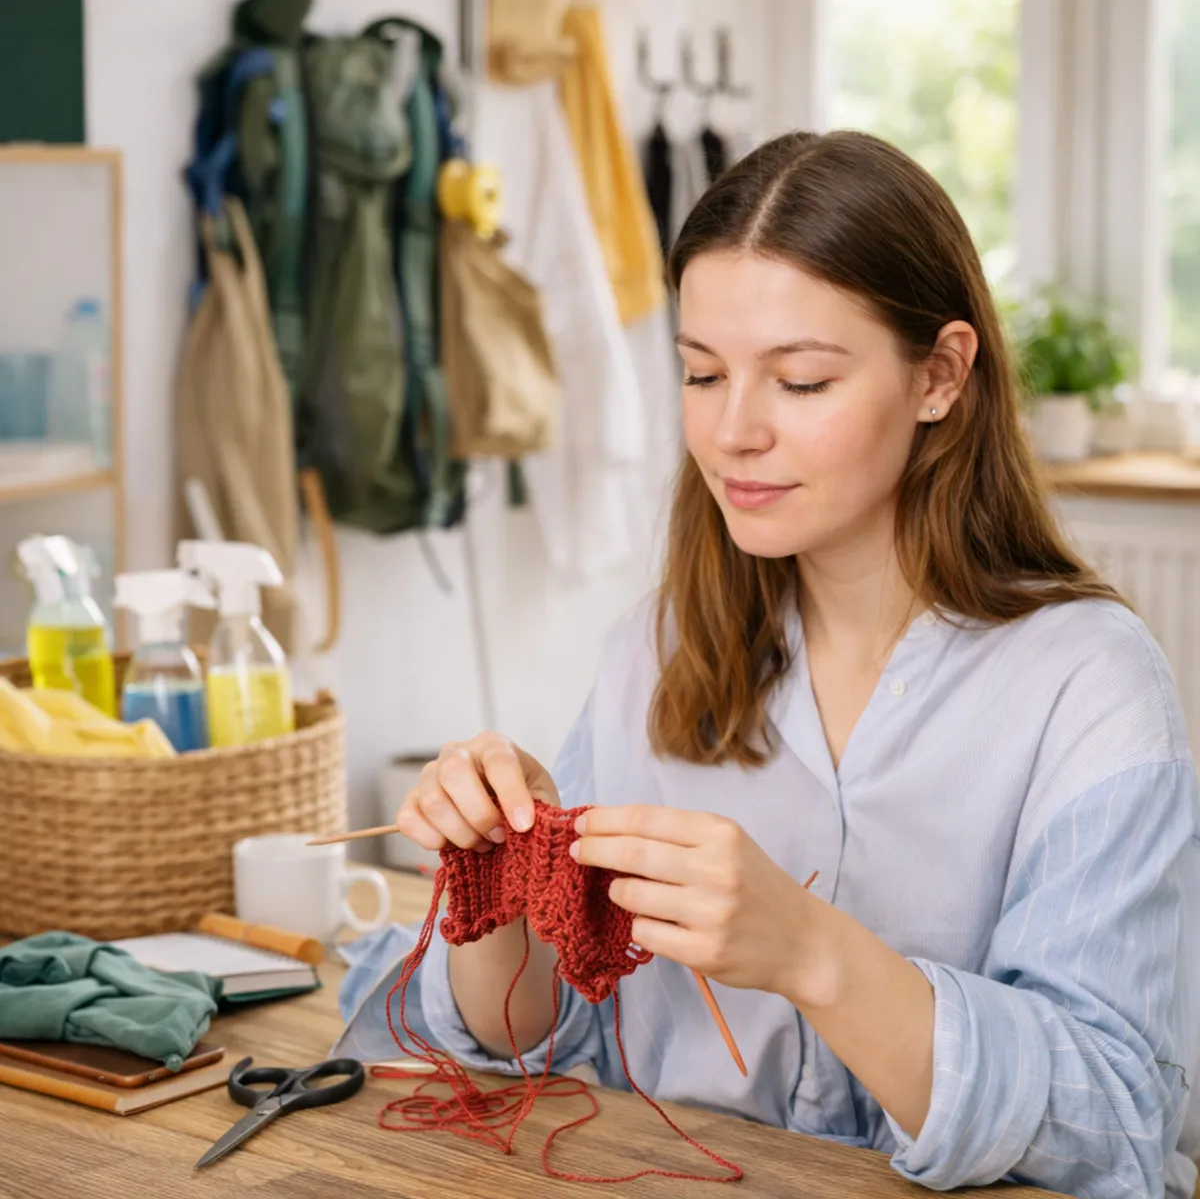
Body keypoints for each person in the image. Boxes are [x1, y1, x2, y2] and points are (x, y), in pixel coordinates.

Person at [391, 131, 1200, 1198]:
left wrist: (817, 954)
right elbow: (533, 1042)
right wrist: (496, 879)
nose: (732, 433)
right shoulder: (656, 648)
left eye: (802, 381)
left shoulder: (1089, 688)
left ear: (940, 376)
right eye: (701, 373)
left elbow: (1115, 1126)